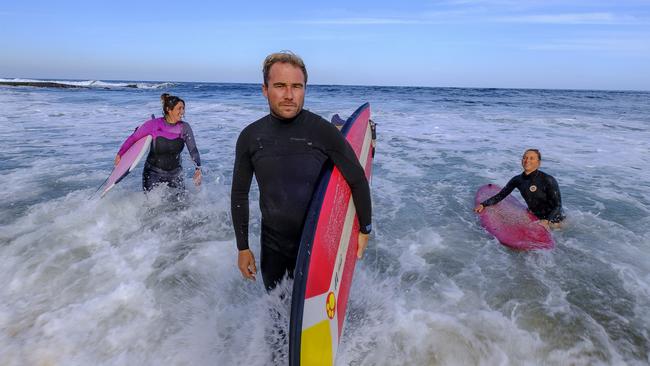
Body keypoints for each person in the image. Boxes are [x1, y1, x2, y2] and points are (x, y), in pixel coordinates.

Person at [231, 51, 372, 291]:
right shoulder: (250, 137)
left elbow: (357, 178)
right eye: (279, 86)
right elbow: (239, 195)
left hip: (317, 245)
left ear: (305, 88)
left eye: (297, 86)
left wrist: (364, 229)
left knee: (312, 315)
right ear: (265, 89)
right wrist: (243, 247)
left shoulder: (322, 131)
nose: (289, 95)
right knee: (276, 317)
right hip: (273, 245)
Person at [114, 93, 202, 191]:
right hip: (153, 173)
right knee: (152, 205)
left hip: (176, 173)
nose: (182, 112)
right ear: (169, 109)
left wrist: (198, 169)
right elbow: (133, 138)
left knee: (180, 206)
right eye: (179, 108)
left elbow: (193, 149)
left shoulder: (184, 127)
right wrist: (120, 154)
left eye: (183, 108)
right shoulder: (153, 125)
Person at [474, 149, 564, 229]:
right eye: (525, 158)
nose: (527, 160)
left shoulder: (548, 180)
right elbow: (501, 195)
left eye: (531, 158)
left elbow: (558, 205)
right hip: (535, 217)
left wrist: (547, 220)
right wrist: (483, 204)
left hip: (555, 221)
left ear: (538, 163)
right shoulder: (517, 180)